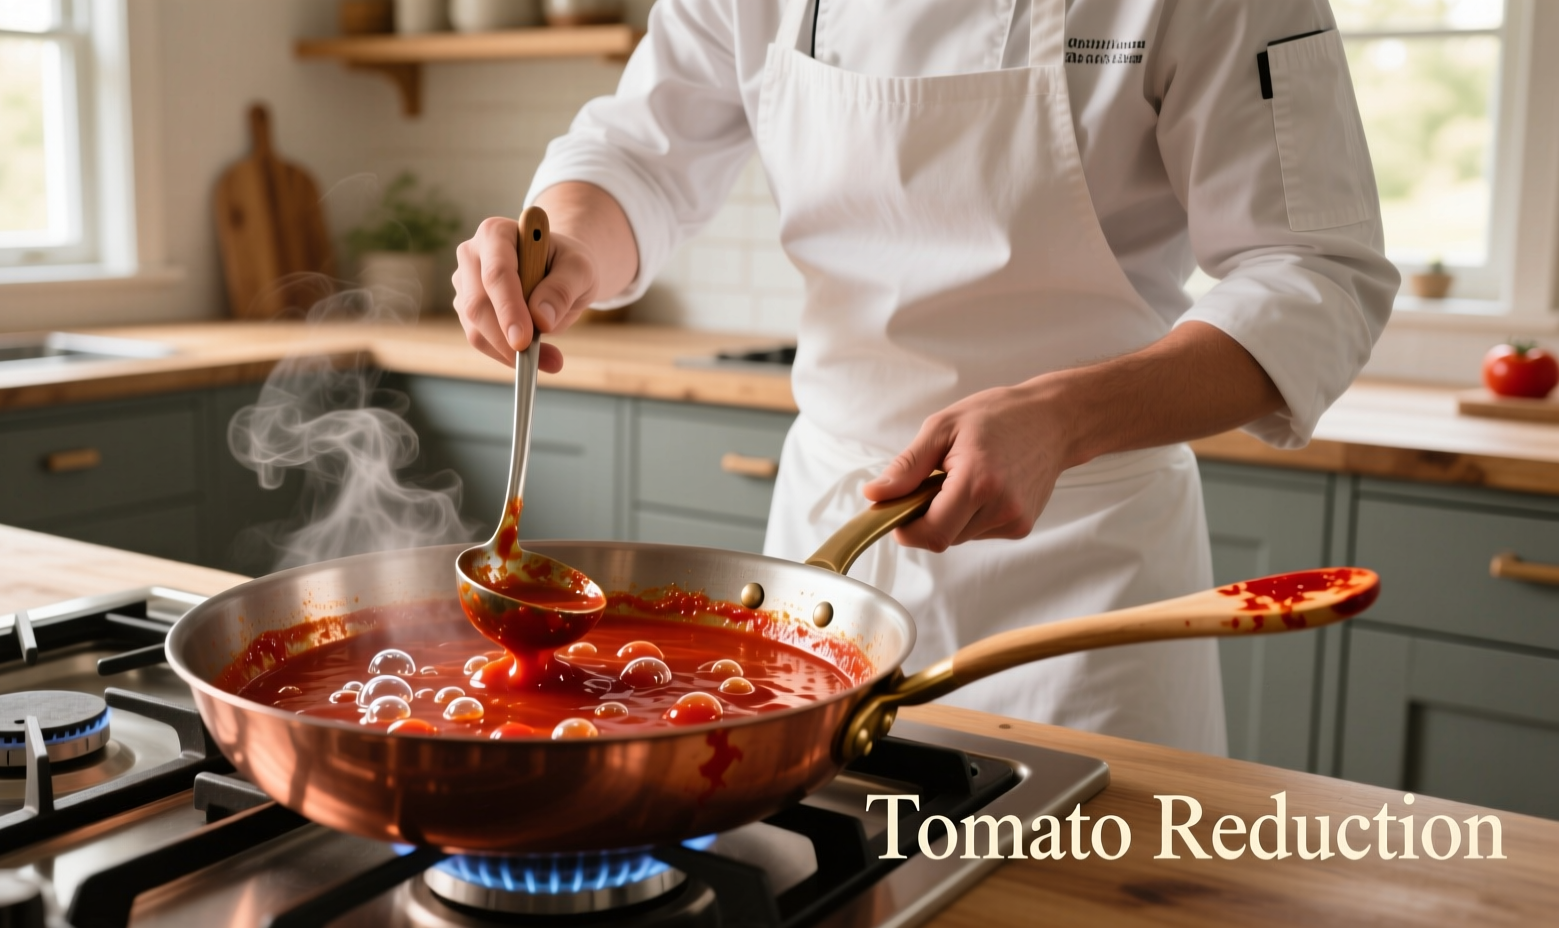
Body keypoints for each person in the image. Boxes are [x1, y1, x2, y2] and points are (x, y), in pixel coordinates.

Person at [450, 0, 1397, 754]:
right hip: (831, 546)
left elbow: (1317, 273)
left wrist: (1064, 416)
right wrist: (567, 240)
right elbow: (635, 157)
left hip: (1088, 566)